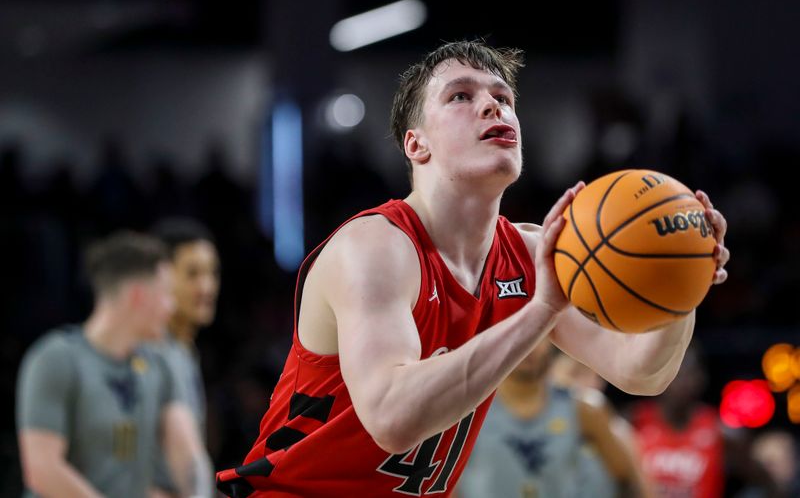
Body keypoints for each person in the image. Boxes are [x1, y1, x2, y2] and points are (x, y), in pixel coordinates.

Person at [216, 40, 730, 497]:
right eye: (461, 96)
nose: (492, 104)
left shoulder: (531, 253)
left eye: (503, 99)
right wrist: (542, 310)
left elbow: (640, 372)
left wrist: (678, 287)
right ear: (416, 144)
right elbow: (392, 418)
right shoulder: (375, 246)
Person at [16, 231, 213, 498]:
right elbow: (42, 470)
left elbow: (188, 456)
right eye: (166, 294)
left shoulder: (158, 365)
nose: (171, 307)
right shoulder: (55, 358)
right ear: (137, 296)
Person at [458, 343, 652, 497]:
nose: (529, 345)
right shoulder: (466, 410)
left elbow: (628, 479)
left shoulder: (583, 409)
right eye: (520, 334)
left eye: (536, 335)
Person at [629, 344, 778, 498]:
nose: (683, 382)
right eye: (677, 374)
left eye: (689, 373)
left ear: (701, 379)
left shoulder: (720, 431)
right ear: (660, 375)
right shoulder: (633, 421)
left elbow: (768, 483)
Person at [150, 218, 221, 497]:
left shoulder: (185, 351)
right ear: (162, 277)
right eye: (192, 274)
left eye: (212, 273)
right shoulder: (147, 354)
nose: (207, 287)